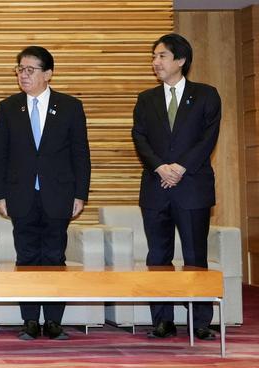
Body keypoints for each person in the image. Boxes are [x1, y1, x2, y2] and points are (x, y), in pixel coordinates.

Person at [0, 46, 91, 341]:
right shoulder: (8, 107)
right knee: (27, 257)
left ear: (48, 74)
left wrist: (80, 194)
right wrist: (0, 194)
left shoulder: (70, 106)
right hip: (21, 195)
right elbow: (0, 155)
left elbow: (80, 154)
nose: (23, 75)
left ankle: (54, 322)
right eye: (19, 69)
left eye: (29, 70)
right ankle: (30, 320)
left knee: (54, 256)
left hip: (58, 194)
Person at [132, 33, 220, 341]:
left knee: (196, 256)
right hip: (156, 187)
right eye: (154, 57)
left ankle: (200, 322)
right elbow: (139, 137)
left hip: (192, 187)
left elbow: (207, 138)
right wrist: (160, 167)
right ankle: (162, 321)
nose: (155, 62)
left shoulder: (207, 95)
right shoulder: (146, 99)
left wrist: (180, 168)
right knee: (158, 257)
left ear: (180, 60)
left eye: (162, 56)